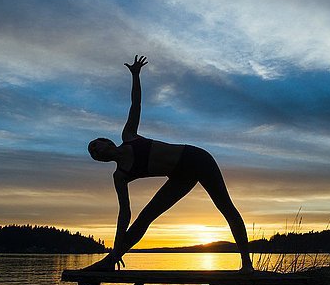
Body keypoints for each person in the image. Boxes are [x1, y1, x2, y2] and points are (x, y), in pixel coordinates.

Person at [87, 55, 253, 271]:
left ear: (106, 141)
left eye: (95, 145)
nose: (95, 151)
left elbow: (135, 104)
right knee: (145, 217)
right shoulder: (120, 176)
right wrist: (117, 248)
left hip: (196, 158)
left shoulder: (128, 135)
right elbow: (124, 213)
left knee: (226, 207)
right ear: (100, 160)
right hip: (179, 176)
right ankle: (109, 261)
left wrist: (135, 76)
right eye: (93, 153)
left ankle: (247, 264)